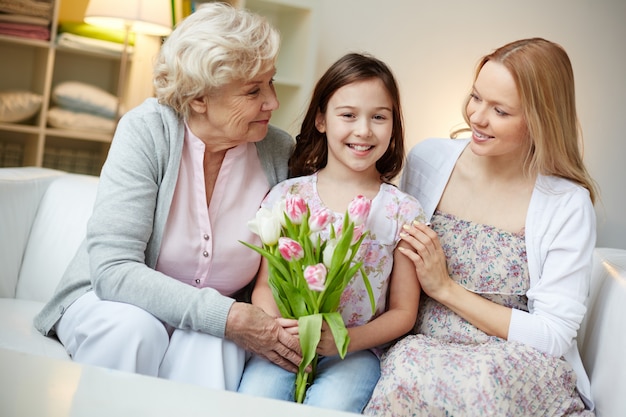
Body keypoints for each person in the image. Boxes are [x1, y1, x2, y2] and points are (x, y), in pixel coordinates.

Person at [32, 2, 303, 391]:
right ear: (199, 99)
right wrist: (226, 316)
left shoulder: (278, 151)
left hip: (216, 320)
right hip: (114, 305)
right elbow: (113, 271)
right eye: (253, 90)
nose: (273, 102)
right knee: (135, 330)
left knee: (218, 347)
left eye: (271, 82)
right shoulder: (147, 130)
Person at [364, 38, 598, 416]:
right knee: (408, 370)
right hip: (421, 345)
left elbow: (553, 336)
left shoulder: (566, 204)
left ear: (540, 120)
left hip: (511, 359)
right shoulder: (429, 160)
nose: (477, 117)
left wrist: (445, 289)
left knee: (478, 384)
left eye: (501, 111)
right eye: (476, 97)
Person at [237, 53, 426, 413]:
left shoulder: (402, 211)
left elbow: (403, 311)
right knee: (257, 397)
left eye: (379, 117)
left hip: (355, 351)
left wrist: (344, 340)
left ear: (393, 125)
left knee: (334, 403)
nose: (364, 130)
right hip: (285, 340)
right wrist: (285, 335)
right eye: (348, 115)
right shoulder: (289, 196)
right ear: (321, 119)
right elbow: (264, 286)